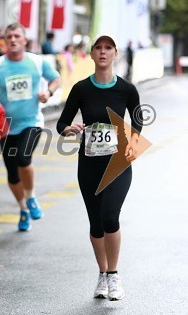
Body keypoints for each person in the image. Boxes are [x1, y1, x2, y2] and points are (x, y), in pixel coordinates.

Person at [56, 34, 143, 301]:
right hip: (89, 164)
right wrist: (69, 129)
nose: (103, 52)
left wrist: (134, 140)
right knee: (96, 223)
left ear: (116, 54)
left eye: (108, 48)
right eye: (98, 48)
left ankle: (114, 274)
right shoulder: (81, 89)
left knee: (109, 217)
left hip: (117, 163)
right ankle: (103, 274)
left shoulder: (127, 89)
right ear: (92, 55)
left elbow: (137, 117)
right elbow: (61, 123)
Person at [0, 23, 60, 231]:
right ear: (4, 41)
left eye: (17, 36)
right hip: (6, 126)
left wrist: (48, 93)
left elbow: (56, 79)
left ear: (24, 40)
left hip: (31, 122)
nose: (13, 39)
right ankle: (23, 209)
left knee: (23, 158)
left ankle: (31, 197)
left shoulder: (37, 62)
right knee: (12, 173)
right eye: (9, 36)